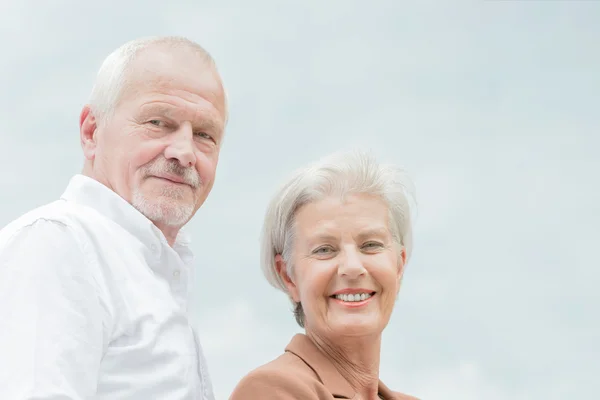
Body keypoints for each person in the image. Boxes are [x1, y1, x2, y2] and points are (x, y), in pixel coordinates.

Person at [0, 36, 227, 399]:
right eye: (158, 122)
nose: (185, 153)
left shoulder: (157, 269)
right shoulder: (60, 245)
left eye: (205, 135)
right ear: (91, 131)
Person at [230, 150, 419, 400]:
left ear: (398, 265)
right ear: (288, 276)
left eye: (371, 245)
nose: (352, 267)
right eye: (324, 250)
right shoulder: (271, 390)